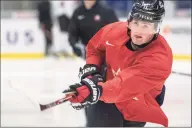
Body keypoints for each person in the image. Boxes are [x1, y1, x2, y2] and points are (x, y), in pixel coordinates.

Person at [64, 0, 172, 127]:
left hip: (136, 107)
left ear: (156, 29)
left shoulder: (160, 58)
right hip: (107, 97)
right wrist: (92, 69)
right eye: (135, 23)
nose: (138, 30)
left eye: (146, 26)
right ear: (129, 22)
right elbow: (95, 48)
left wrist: (94, 90)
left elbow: (123, 86)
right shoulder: (116, 31)